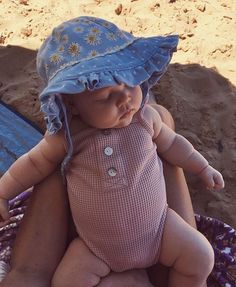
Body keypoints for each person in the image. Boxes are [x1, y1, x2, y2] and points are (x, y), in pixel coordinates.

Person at [0, 16, 224, 287]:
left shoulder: (145, 118)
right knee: (66, 281)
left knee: (200, 256)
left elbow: (175, 145)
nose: (126, 100)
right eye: (106, 96)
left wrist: (202, 167)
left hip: (159, 230)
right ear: (72, 105)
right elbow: (33, 164)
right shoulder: (67, 136)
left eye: (131, 84)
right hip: (97, 248)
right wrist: (3, 192)